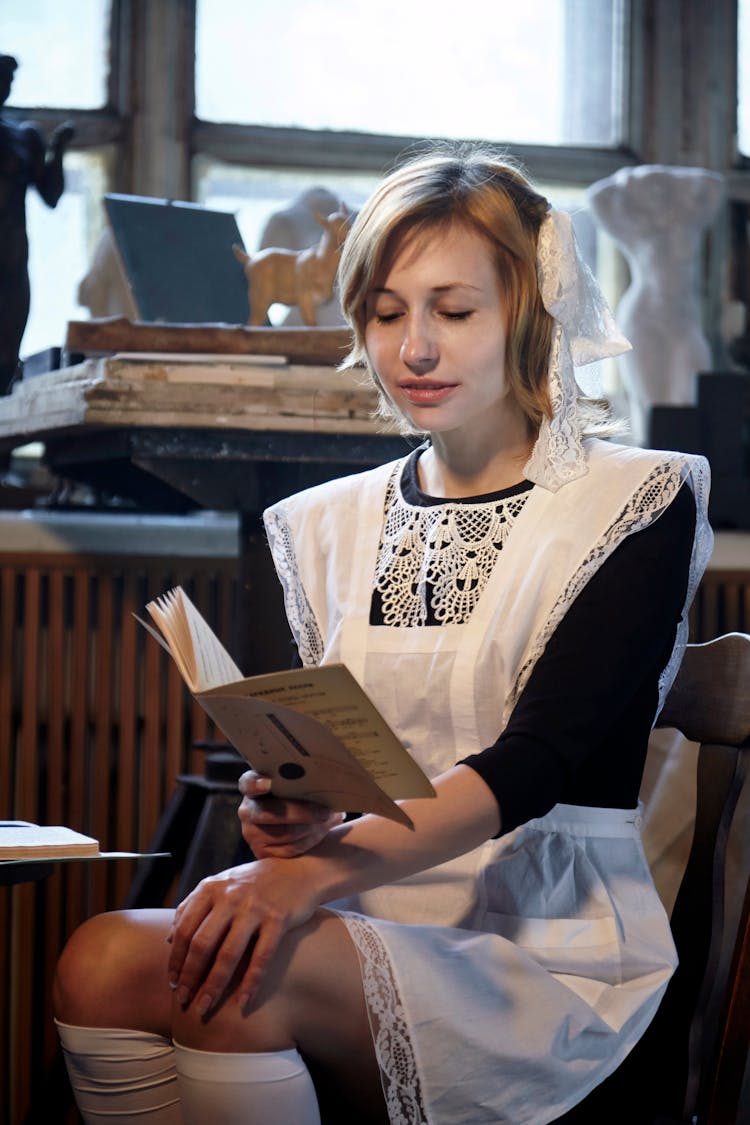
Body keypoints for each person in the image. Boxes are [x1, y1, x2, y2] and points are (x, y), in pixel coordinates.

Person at [53, 145, 713, 1125]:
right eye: (387, 310)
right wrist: (299, 818)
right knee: (97, 959)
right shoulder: (329, 520)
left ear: (528, 317)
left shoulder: (635, 499)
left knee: (241, 986)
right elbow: (361, 764)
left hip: (548, 953)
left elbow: (536, 762)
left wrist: (311, 875)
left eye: (454, 310)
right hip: (367, 908)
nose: (414, 349)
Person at [0, 54, 74, 394]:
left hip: (12, 257)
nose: (5, 87)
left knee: (6, 353)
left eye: (8, 81)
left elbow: (52, 195)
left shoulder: (23, 136)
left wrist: (57, 151)